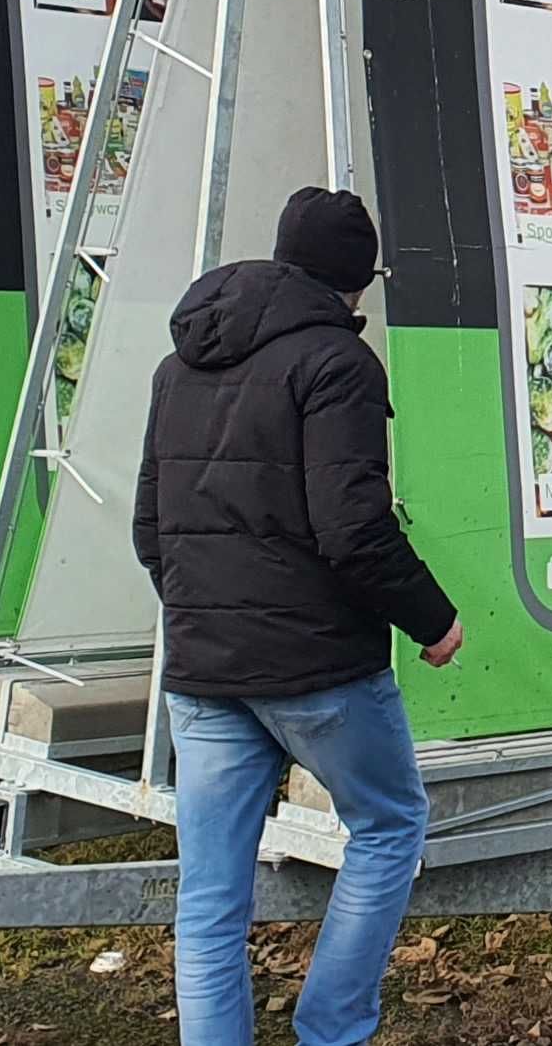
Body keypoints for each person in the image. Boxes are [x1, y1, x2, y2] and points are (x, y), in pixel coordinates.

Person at [132, 186, 463, 1046]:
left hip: (203, 674)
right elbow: (353, 529)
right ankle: (332, 1030)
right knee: (390, 826)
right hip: (318, 672)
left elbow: (148, 530)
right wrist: (433, 620)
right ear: (360, 281)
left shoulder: (179, 365)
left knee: (208, 900)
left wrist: (211, 616)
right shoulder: (339, 365)